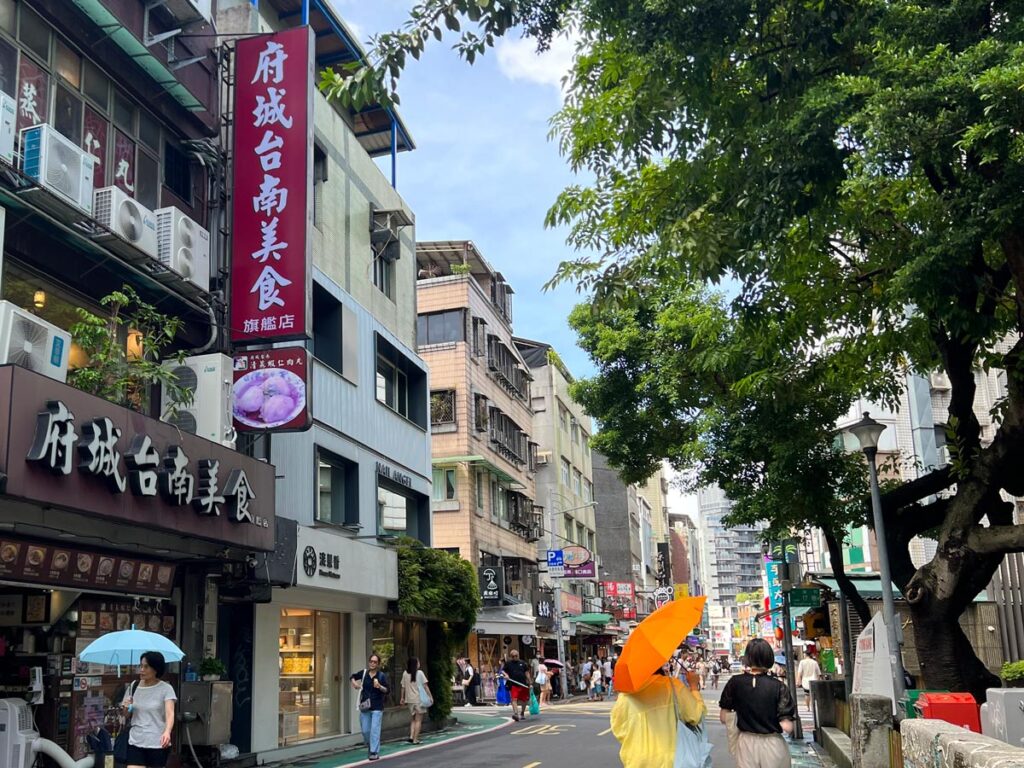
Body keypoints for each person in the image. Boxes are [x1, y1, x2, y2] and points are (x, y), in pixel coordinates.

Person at [610, 658, 707, 767]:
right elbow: (695, 715)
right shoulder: (672, 686)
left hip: (637, 761)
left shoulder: (625, 695)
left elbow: (619, 730)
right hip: (672, 761)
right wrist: (694, 687)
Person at [719, 639, 797, 768]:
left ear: (747, 658)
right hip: (773, 744)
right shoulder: (778, 686)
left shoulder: (734, 682)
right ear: (769, 658)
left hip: (745, 743)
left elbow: (723, 717)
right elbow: (788, 727)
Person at [121, 651, 176, 768]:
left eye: (146, 667)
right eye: (140, 666)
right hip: (136, 740)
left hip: (157, 742)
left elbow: (170, 714)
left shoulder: (166, 689)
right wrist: (126, 707)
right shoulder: (134, 686)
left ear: (156, 669)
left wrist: (167, 732)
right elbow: (126, 715)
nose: (141, 669)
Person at [350, 653, 389, 761]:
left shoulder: (381, 676)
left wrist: (379, 686)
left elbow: (387, 690)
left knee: (375, 730)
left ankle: (374, 752)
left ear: (378, 664)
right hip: (365, 706)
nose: (372, 663)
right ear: (368, 662)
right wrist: (354, 683)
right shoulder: (363, 673)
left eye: (375, 662)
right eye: (371, 661)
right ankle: (371, 746)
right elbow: (352, 676)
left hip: (377, 706)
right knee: (365, 730)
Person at [399, 656, 431, 745]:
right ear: (416, 664)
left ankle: (411, 736)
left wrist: (402, 698)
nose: (419, 663)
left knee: (413, 719)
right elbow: (425, 686)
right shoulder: (420, 673)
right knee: (418, 720)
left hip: (409, 700)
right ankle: (415, 739)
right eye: (418, 662)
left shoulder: (405, 673)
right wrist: (430, 697)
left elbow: (403, 687)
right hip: (418, 700)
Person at [501, 649, 532, 721]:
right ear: (511, 656)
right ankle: (516, 714)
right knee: (514, 699)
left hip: (523, 684)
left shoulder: (523, 663)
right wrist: (506, 675)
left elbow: (527, 673)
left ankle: (522, 713)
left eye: (516, 656)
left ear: (518, 655)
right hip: (513, 684)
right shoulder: (508, 663)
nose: (515, 657)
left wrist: (530, 682)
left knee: (524, 700)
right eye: (513, 656)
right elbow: (503, 670)